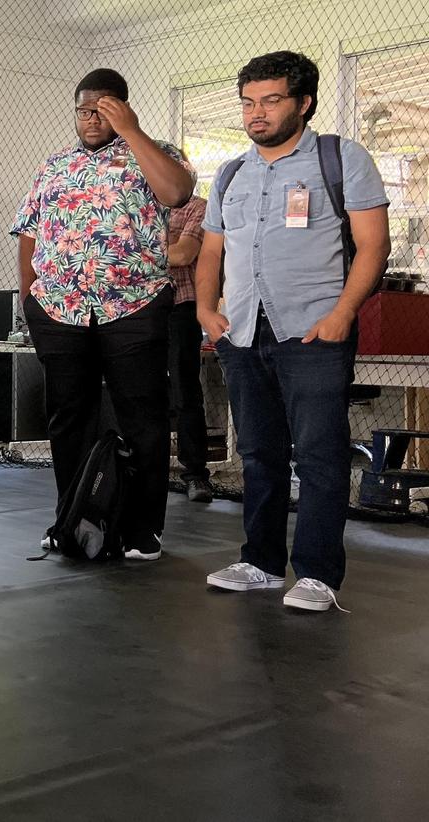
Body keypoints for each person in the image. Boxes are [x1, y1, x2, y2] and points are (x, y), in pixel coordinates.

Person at [197, 51, 390, 610]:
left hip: (313, 330)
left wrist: (343, 312)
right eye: (248, 102)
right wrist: (207, 309)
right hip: (242, 332)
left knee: (319, 456)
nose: (256, 113)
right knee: (258, 454)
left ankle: (318, 575)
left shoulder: (341, 158)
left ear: (303, 103)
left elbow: (374, 245)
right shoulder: (232, 172)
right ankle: (260, 563)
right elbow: (212, 249)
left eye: (272, 100)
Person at [11, 68, 194, 561]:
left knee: (143, 417)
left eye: (104, 109)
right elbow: (29, 230)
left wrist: (131, 131)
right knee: (68, 418)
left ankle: (141, 530)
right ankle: (71, 520)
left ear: (125, 108)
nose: (91, 118)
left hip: (132, 307)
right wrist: (30, 294)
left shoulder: (158, 155)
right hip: (60, 310)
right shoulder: (55, 165)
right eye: (84, 110)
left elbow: (177, 193)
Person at [164, 176, 215, 503]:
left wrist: (132, 248)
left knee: (185, 389)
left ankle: (196, 473)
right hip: (137, 306)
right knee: (134, 389)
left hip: (181, 305)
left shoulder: (197, 207)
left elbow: (182, 254)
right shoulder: (139, 205)